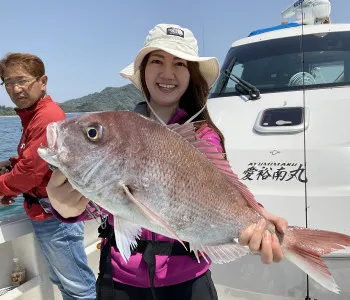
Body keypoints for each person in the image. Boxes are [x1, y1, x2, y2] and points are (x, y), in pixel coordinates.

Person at [46, 24, 288, 300]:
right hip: (120, 282)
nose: (167, 73)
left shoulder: (203, 136)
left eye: (179, 64)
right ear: (144, 71)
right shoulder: (122, 131)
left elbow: (223, 188)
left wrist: (258, 217)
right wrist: (63, 206)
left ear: (190, 74)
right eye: (157, 61)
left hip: (188, 283)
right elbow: (98, 204)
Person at [0, 52, 97, 300]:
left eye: (22, 80)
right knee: (63, 283)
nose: (16, 88)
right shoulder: (34, 115)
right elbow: (32, 161)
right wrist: (10, 169)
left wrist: (5, 187)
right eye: (8, 82)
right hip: (46, 213)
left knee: (78, 288)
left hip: (56, 219)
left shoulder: (47, 117)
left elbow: (30, 173)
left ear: (43, 81)